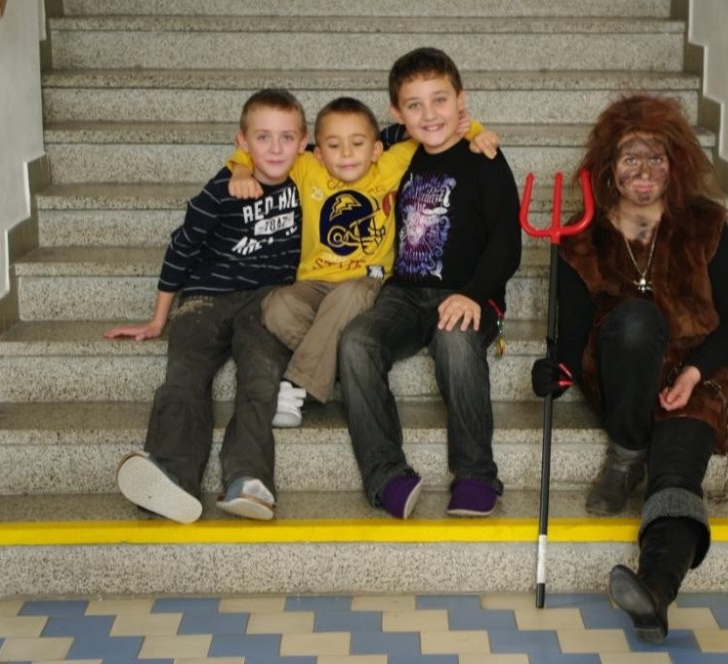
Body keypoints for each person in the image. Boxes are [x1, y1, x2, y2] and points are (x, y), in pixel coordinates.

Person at [530, 95, 728, 643]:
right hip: (620, 369)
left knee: (677, 474)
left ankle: (654, 591)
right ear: (609, 168)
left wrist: (693, 374)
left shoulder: (705, 225)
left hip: (697, 377)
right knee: (633, 320)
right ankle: (626, 453)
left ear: (675, 165)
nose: (644, 170)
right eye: (631, 158)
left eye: (656, 157)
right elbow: (574, 333)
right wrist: (555, 369)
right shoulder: (579, 239)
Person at [225, 97, 497, 426]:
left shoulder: (389, 166)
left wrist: (477, 132)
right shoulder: (307, 167)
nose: (346, 154)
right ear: (317, 153)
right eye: (334, 146)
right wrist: (241, 169)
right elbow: (264, 152)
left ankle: (297, 384)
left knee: (349, 295)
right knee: (276, 306)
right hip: (314, 283)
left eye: (357, 144)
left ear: (376, 149)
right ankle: (340, 362)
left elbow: (438, 131)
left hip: (368, 282)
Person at [105, 88, 308, 523]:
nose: (276, 148)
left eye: (287, 137)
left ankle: (248, 480)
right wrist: (158, 318)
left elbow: (367, 139)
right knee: (185, 374)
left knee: (260, 379)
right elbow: (181, 249)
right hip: (205, 297)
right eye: (263, 137)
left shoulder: (310, 179)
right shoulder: (222, 189)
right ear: (242, 142)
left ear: (304, 142)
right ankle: (171, 475)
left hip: (267, 302)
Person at [337, 47, 521, 519]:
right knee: (356, 341)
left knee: (455, 340)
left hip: (471, 293)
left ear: (461, 100)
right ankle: (386, 474)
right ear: (397, 114)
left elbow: (507, 244)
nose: (430, 114)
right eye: (414, 105)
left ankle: (476, 474)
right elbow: (339, 148)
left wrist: (473, 294)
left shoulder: (485, 159)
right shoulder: (400, 156)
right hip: (405, 293)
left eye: (440, 100)